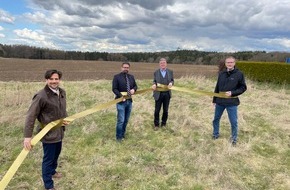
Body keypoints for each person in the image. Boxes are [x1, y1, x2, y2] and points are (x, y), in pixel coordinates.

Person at [23, 69, 69, 190]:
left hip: (59, 132)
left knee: (56, 155)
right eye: (51, 79)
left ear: (59, 80)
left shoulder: (62, 92)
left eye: (56, 79)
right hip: (48, 134)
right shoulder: (41, 96)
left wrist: (66, 118)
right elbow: (30, 116)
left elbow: (62, 109)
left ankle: (53, 172)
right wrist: (28, 137)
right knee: (48, 159)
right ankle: (48, 185)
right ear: (46, 80)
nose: (54, 81)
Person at [212, 56, 247, 146]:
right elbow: (217, 87)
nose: (229, 64)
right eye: (228, 62)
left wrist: (232, 93)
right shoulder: (221, 73)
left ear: (234, 63)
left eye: (231, 62)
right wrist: (214, 100)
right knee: (216, 119)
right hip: (220, 102)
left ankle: (234, 139)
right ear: (225, 63)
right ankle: (215, 134)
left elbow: (243, 87)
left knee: (233, 122)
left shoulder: (239, 74)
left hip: (232, 102)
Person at [112, 62, 137, 141]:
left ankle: (122, 134)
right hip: (120, 102)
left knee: (126, 120)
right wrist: (120, 96)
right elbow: (114, 89)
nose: (126, 69)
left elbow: (135, 86)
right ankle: (118, 137)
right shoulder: (116, 77)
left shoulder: (131, 77)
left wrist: (134, 89)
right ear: (121, 68)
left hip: (129, 102)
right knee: (121, 120)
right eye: (124, 67)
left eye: (127, 67)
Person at [152, 58, 174, 130]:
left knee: (165, 110)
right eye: (161, 63)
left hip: (167, 94)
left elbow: (172, 80)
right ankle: (156, 125)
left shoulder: (170, 71)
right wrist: (154, 84)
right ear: (159, 64)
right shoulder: (156, 72)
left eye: (164, 63)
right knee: (157, 110)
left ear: (166, 63)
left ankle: (164, 124)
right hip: (158, 94)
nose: (163, 64)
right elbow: (154, 81)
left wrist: (171, 83)